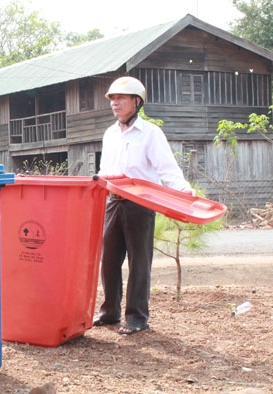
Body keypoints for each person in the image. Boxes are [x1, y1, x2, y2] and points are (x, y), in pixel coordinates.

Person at [93, 76, 194, 335]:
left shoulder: (150, 133)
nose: (114, 103)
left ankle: (137, 317)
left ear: (137, 102)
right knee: (109, 260)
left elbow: (167, 169)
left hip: (141, 205)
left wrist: (182, 191)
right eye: (112, 99)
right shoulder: (110, 133)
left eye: (120, 98)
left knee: (139, 263)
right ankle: (110, 311)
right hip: (113, 203)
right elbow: (105, 170)